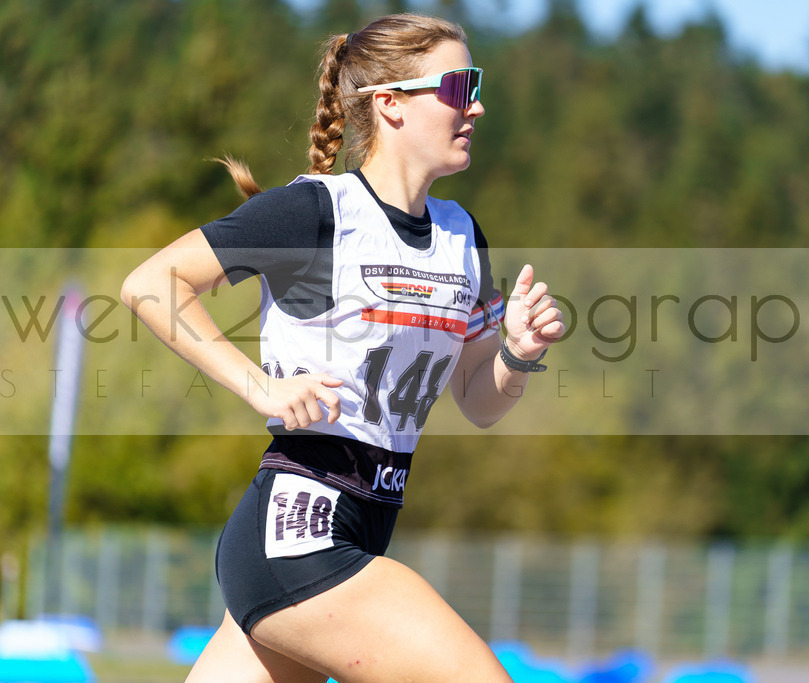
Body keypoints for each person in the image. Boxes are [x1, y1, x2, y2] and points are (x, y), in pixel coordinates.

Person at [121, 12, 565, 682]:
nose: (476, 104)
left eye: (476, 84)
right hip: (297, 532)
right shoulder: (315, 212)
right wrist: (259, 387)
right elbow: (151, 283)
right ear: (389, 104)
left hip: (364, 522)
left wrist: (518, 354)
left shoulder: (463, 234)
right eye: (457, 86)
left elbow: (479, 398)